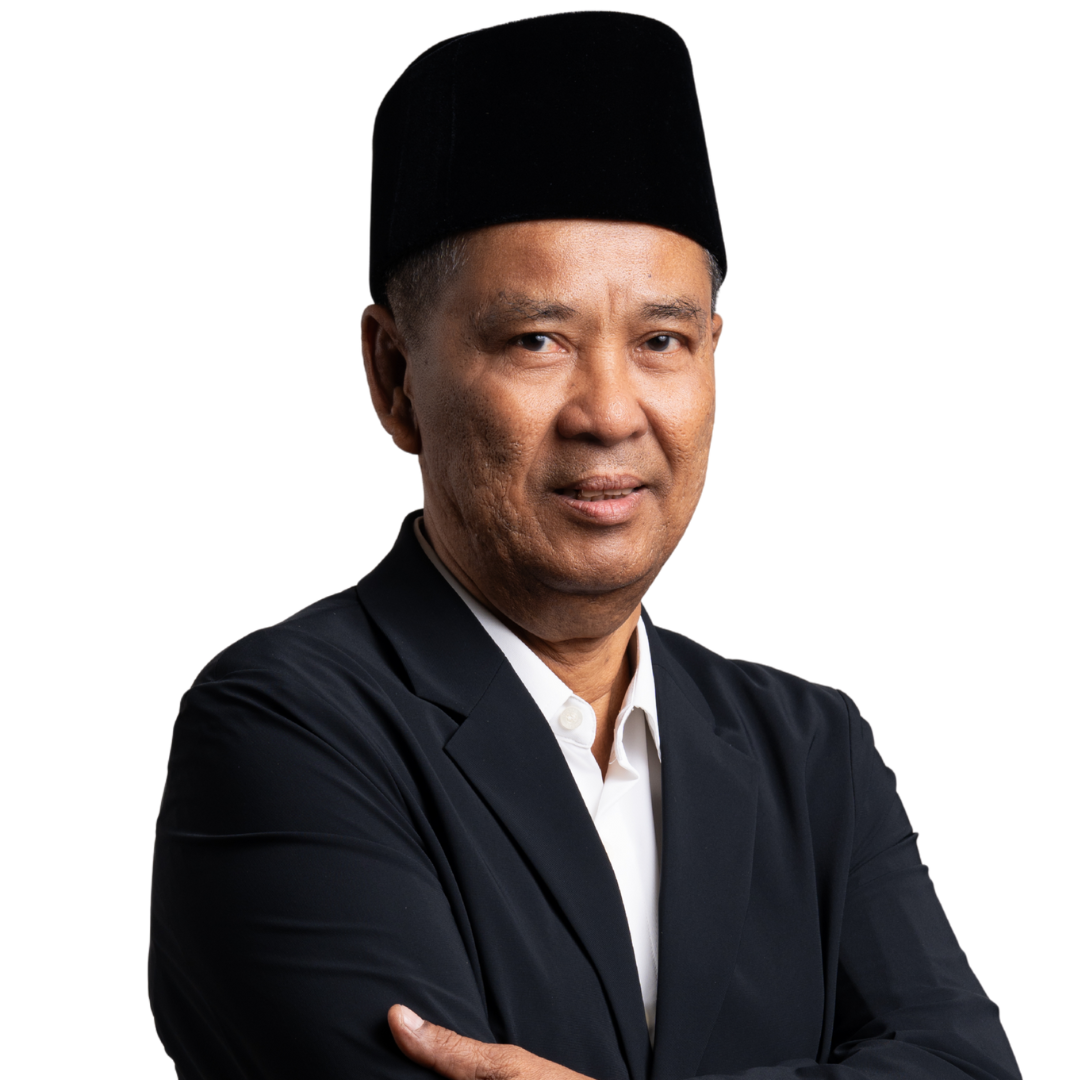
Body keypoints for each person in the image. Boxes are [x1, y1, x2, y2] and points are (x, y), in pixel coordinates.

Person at [149, 12, 1021, 1080]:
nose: (610, 412)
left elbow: (969, 1067)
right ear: (395, 376)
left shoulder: (809, 751)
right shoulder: (286, 729)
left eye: (662, 340)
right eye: (537, 340)